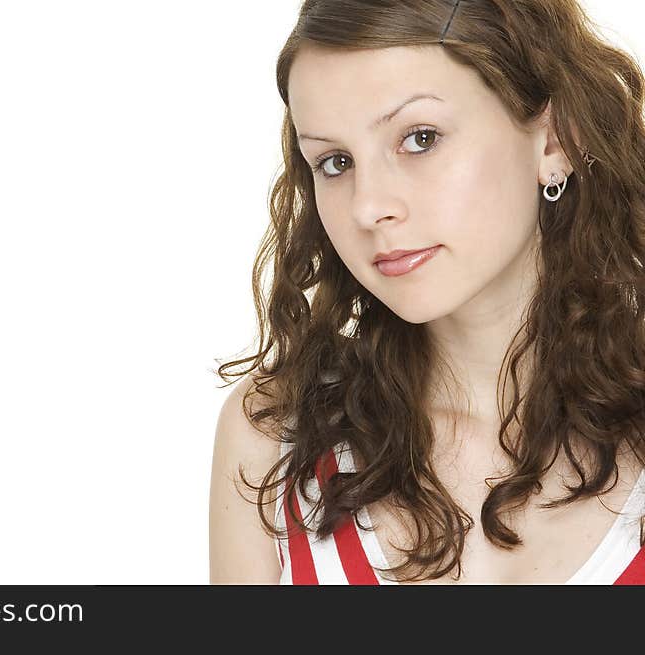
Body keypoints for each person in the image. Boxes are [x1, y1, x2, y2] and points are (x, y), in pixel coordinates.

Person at [209, 0, 645, 584]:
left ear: (552, 140)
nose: (368, 207)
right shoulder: (274, 438)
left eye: (419, 138)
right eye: (335, 162)